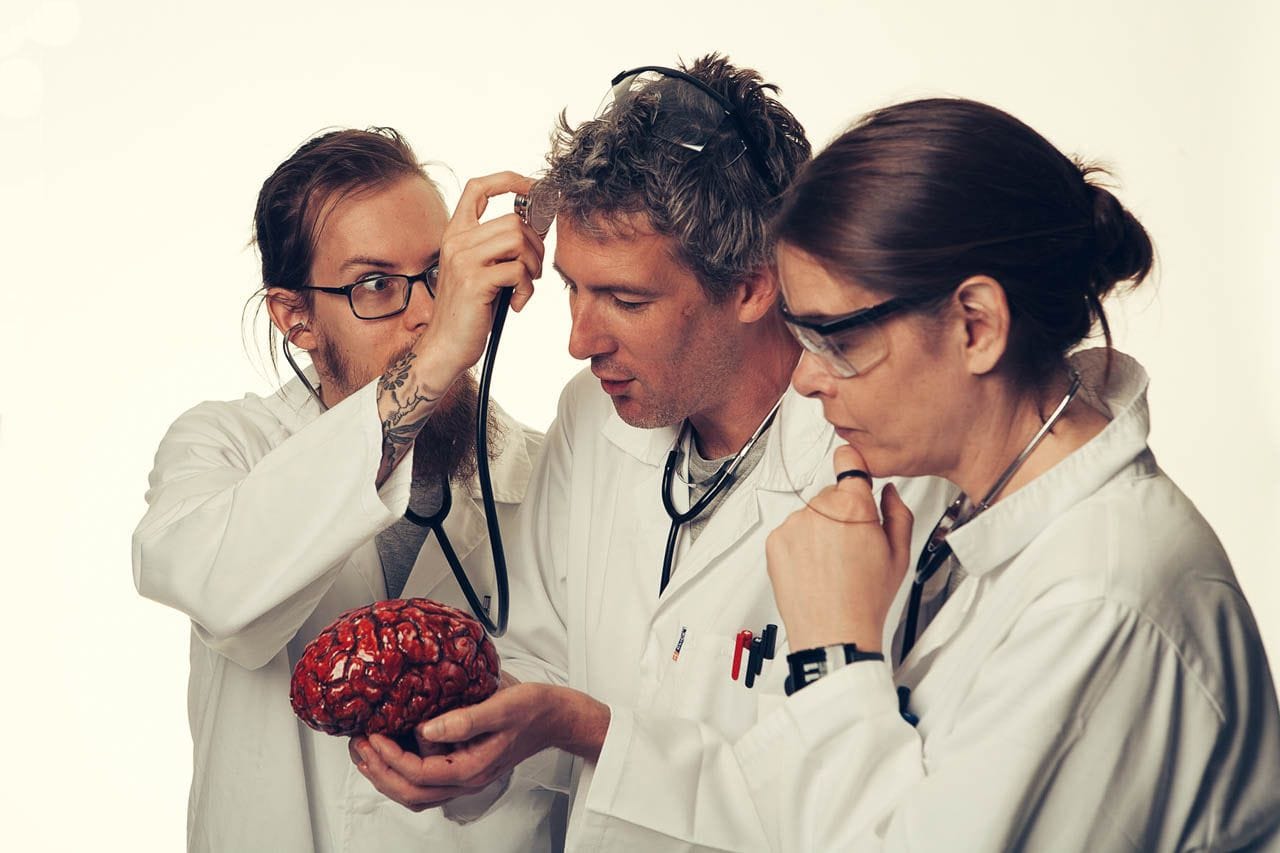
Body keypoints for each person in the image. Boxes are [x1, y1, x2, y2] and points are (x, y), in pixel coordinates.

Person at [350, 55, 951, 851]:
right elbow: (541, 650)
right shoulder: (593, 416)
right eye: (572, 287)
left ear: (750, 285)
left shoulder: (887, 474)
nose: (578, 341)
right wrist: (477, 744)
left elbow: (870, 800)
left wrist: (587, 728)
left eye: (626, 300)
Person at [736, 97, 1280, 850]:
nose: (805, 380)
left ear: (976, 325)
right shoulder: (957, 505)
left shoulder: (1102, 596)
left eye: (835, 338)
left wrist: (832, 653)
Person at [131, 128, 566, 851]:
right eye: (375, 286)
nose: (427, 313)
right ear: (295, 316)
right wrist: (428, 368)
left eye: (439, 274)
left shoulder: (545, 472)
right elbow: (217, 586)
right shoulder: (223, 447)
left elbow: (583, 726)